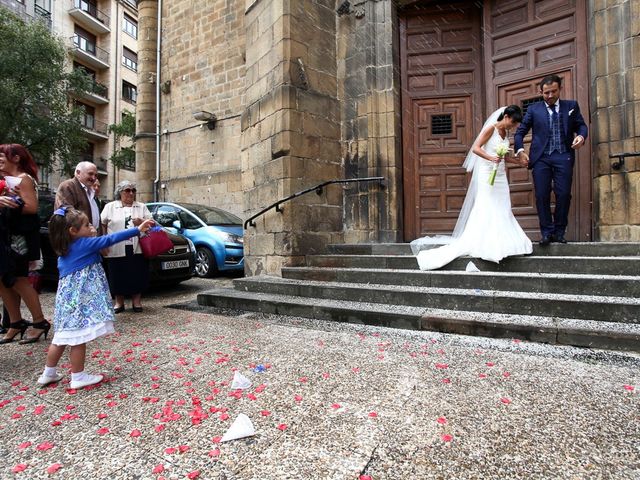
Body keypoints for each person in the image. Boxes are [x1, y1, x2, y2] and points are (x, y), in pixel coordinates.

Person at [37, 206, 154, 388]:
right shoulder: (84, 244)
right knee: (78, 339)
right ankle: (78, 376)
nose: (91, 227)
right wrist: (137, 230)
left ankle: (48, 373)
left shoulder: (65, 249)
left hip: (66, 303)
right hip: (78, 303)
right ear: (73, 231)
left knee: (60, 338)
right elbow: (110, 238)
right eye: (86, 225)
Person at [412, 106, 533, 270]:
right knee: (487, 205)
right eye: (513, 122)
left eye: (516, 124)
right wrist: (491, 158)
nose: (514, 126)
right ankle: (487, 243)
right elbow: (475, 148)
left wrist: (518, 162)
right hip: (486, 173)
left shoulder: (506, 133)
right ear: (505, 116)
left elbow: (503, 156)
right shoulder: (491, 128)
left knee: (503, 206)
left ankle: (506, 242)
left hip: (500, 176)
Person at [514, 74, 588, 245]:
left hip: (563, 155)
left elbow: (581, 125)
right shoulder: (533, 109)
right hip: (541, 158)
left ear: (559, 89)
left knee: (563, 194)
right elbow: (520, 132)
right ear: (541, 92)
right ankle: (547, 232)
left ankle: (559, 232)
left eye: (553, 91)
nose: (550, 96)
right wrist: (520, 150)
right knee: (541, 195)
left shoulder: (571, 106)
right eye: (546, 92)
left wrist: (581, 137)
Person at [0, 144, 50, 344]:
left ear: (16, 158)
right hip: (6, 235)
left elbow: (31, 207)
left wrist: (11, 199)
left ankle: (39, 322)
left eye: (3, 156)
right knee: (2, 279)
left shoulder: (24, 179)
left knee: (19, 279)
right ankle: (15, 322)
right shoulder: (5, 181)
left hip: (19, 237)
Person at [101, 181, 152, 313]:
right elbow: (103, 224)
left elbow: (152, 224)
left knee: (137, 273)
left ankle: (137, 301)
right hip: (116, 246)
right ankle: (119, 302)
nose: (131, 193)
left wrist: (141, 222)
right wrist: (103, 243)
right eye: (127, 190)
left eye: (133, 190)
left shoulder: (141, 207)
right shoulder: (110, 207)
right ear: (120, 192)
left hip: (137, 246)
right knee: (117, 273)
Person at [55, 161, 100, 229]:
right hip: (75, 236)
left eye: (96, 175)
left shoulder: (89, 191)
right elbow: (67, 211)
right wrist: (87, 229)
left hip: (90, 236)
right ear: (78, 173)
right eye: (90, 174)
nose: (94, 178)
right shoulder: (68, 186)